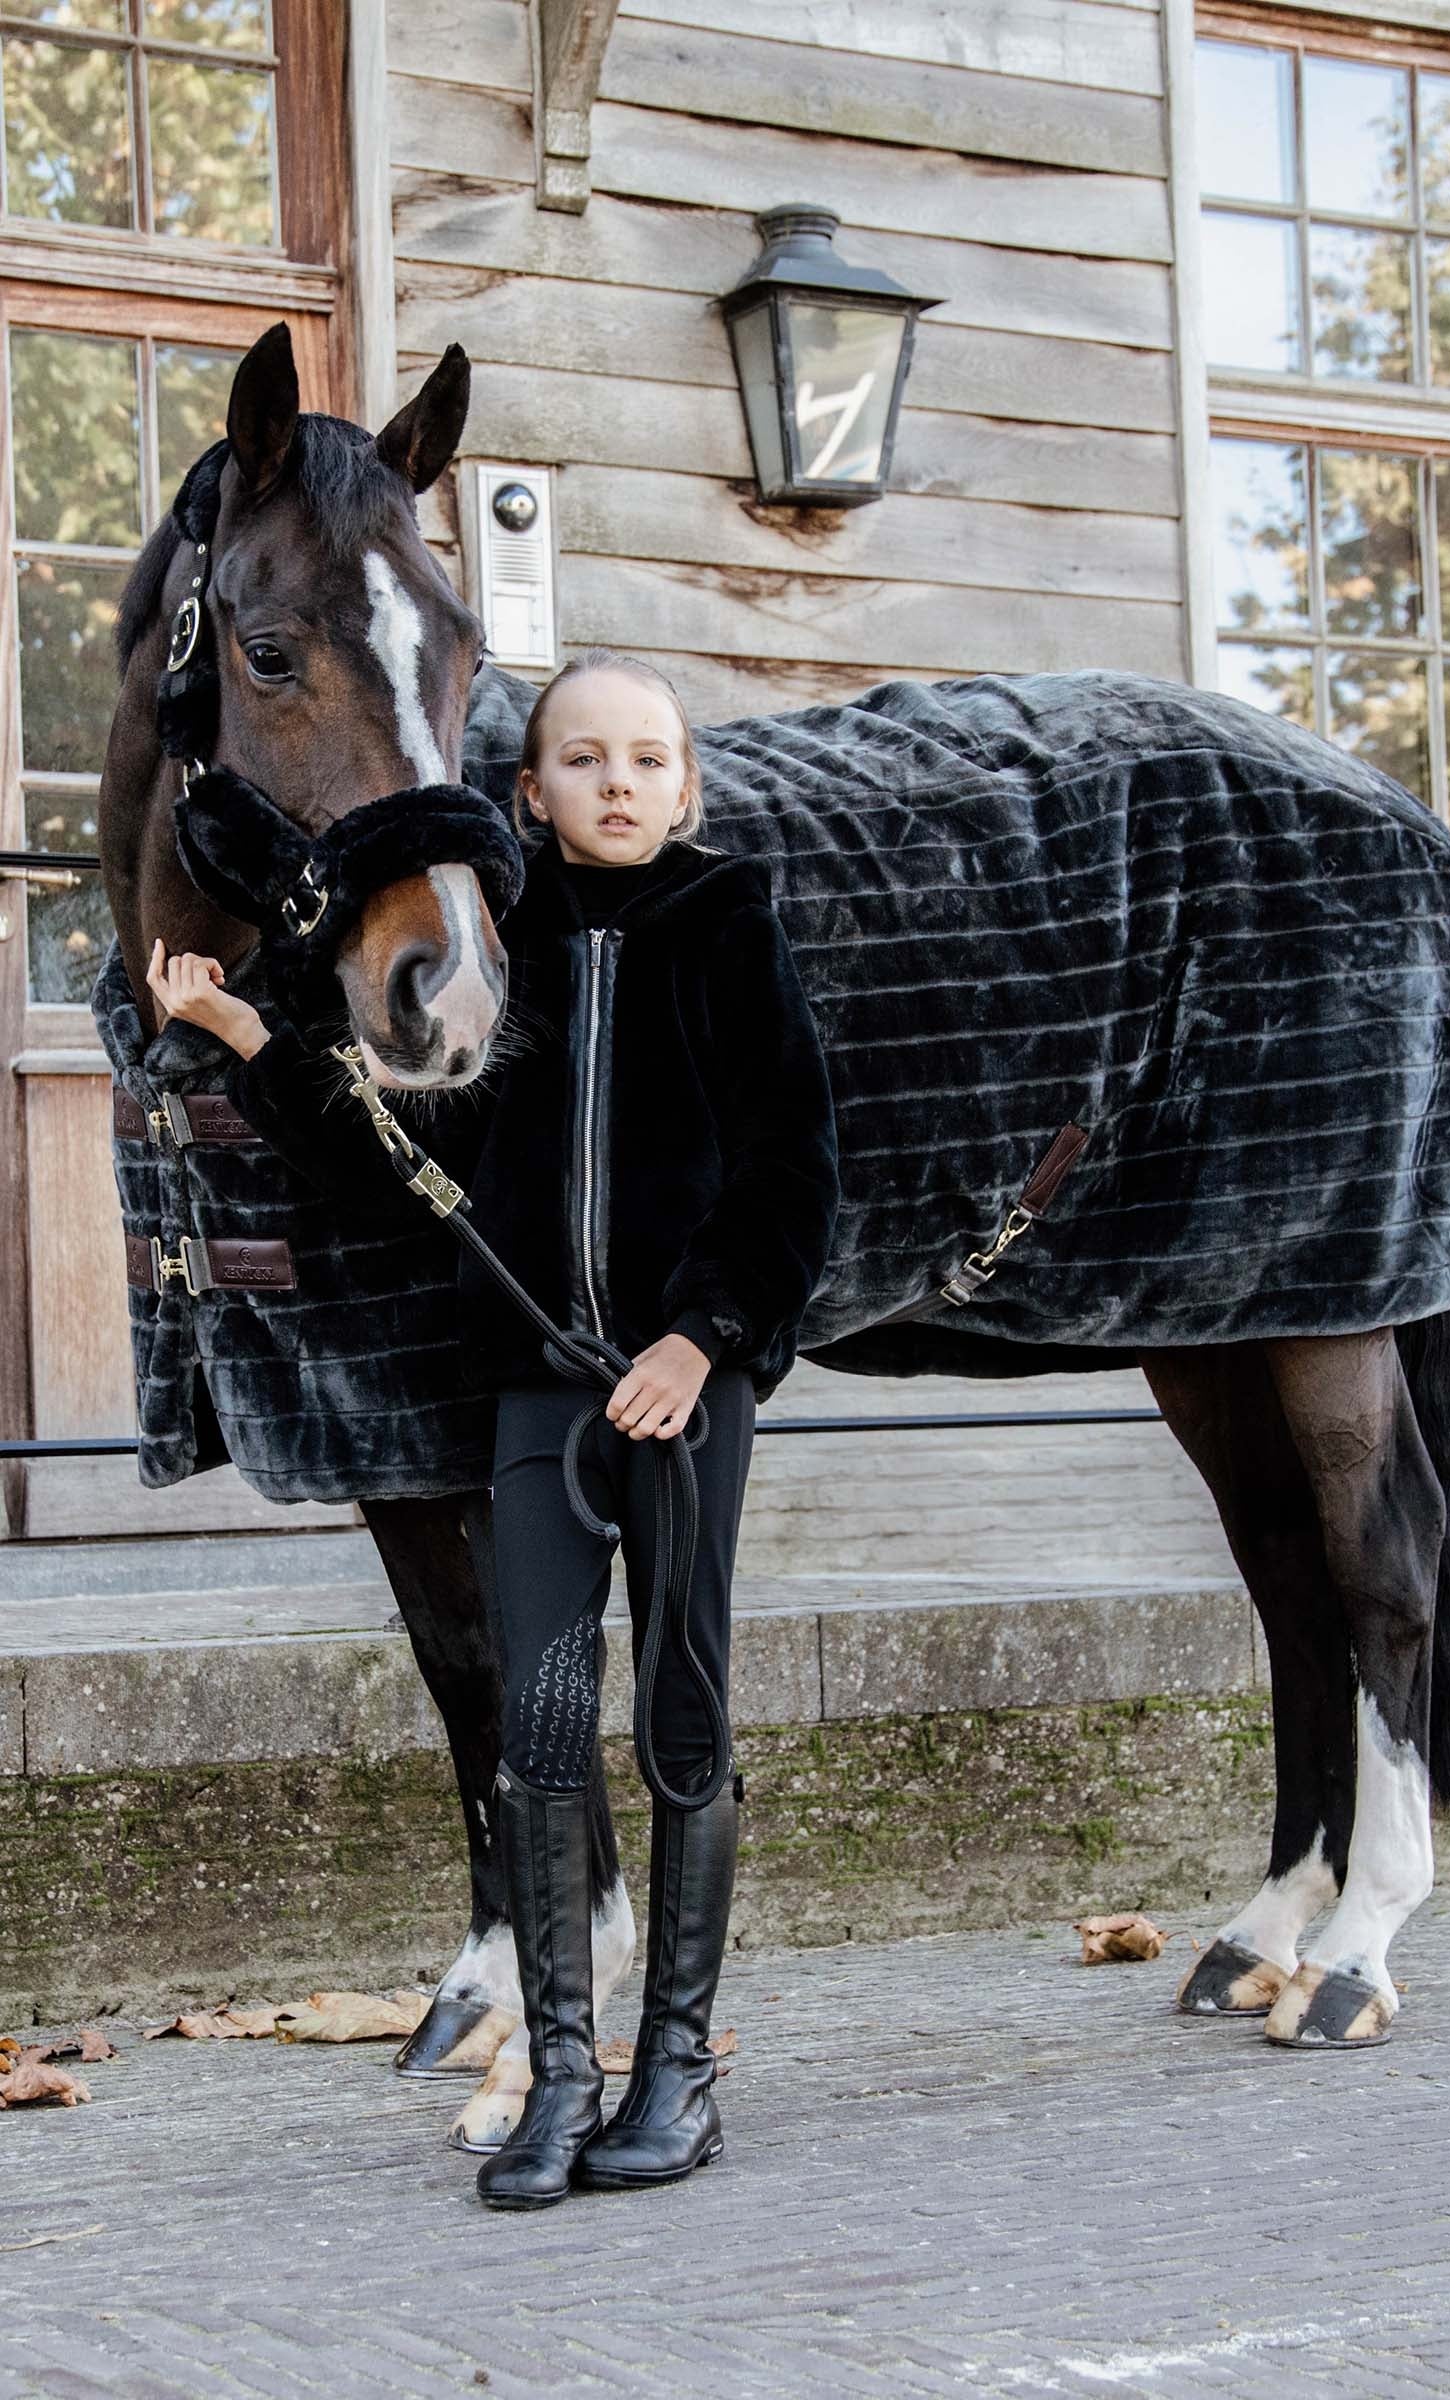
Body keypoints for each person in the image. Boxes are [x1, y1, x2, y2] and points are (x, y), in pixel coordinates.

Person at [147, 647, 841, 2209]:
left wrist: (702, 1338)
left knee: (679, 1722)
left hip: (682, 1388)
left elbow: (794, 1178)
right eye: (583, 761)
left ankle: (676, 2068)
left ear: (687, 787)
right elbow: (408, 1160)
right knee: (537, 1741)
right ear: (529, 792)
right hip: (539, 1397)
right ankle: (564, 2074)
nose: (617, 785)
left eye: (647, 761)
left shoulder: (726, 929)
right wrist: (258, 1045)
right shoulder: (500, 936)